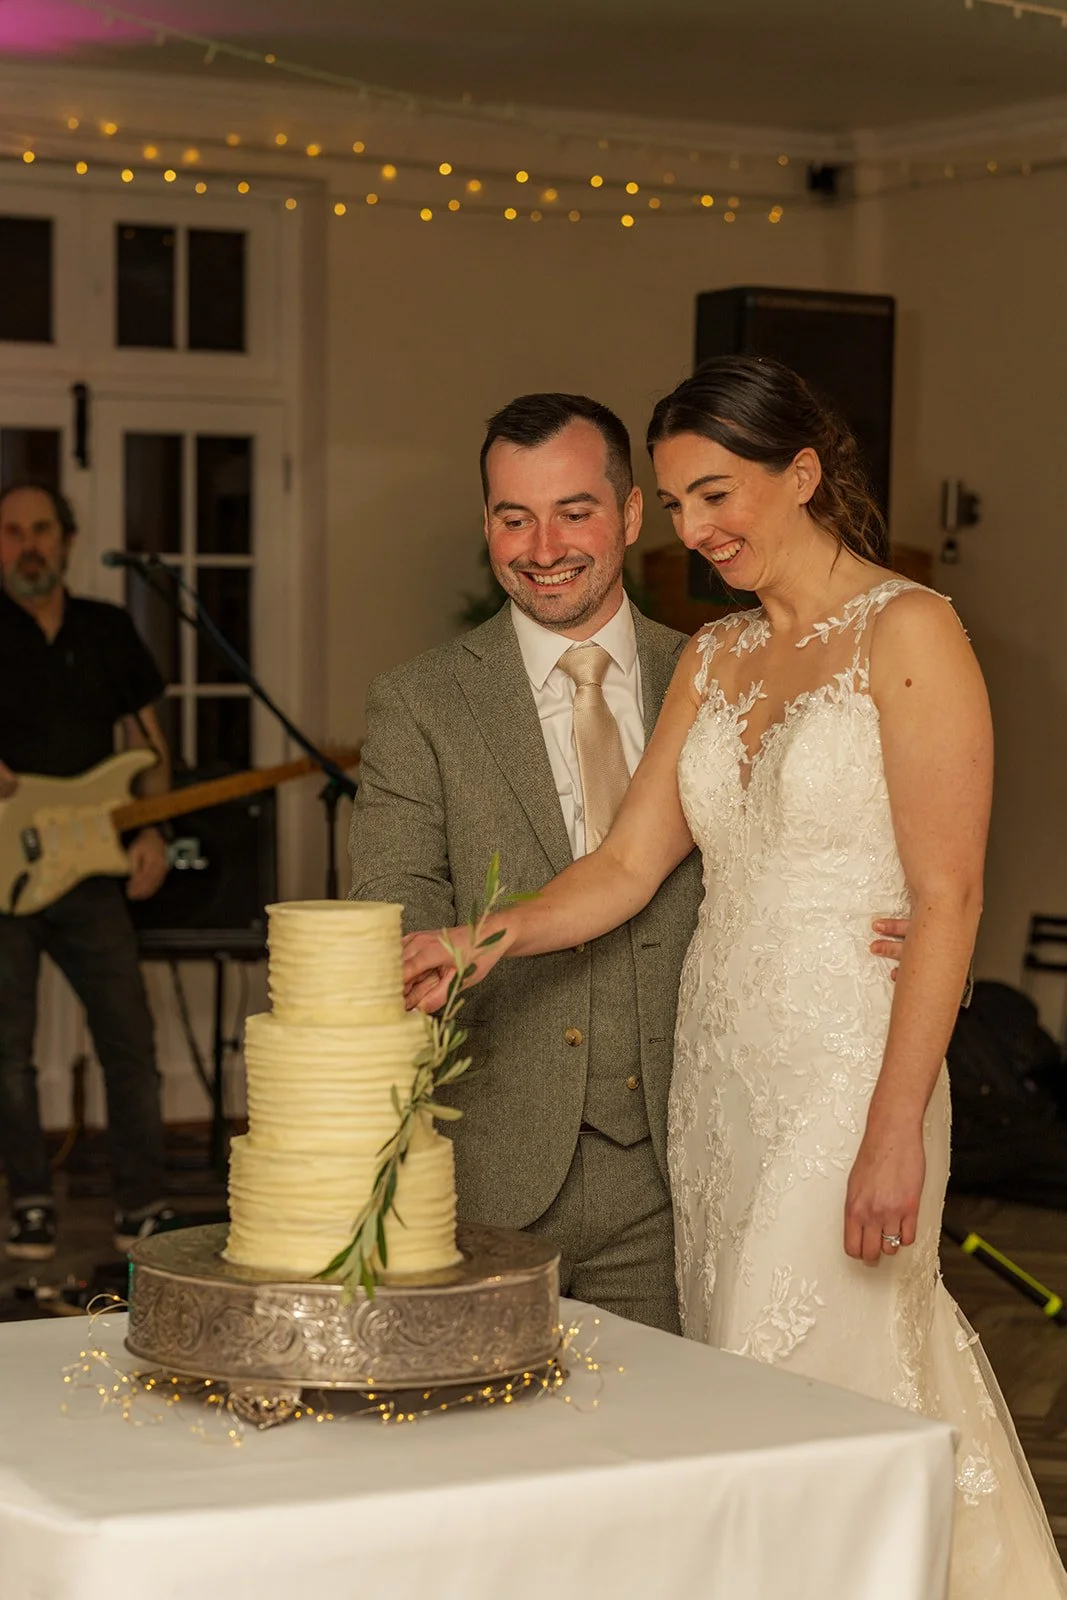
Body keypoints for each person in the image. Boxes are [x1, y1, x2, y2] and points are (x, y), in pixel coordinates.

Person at [404, 359, 1066, 1594]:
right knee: (746, 1381)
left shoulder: (910, 629)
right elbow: (620, 867)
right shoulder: (711, 657)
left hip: (848, 1068)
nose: (697, 530)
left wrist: (890, 1129)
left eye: (718, 494)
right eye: (675, 500)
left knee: (823, 1364)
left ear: (802, 472)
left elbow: (947, 896)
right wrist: (466, 944)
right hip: (718, 1077)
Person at [349, 391, 902, 1335]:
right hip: (491, 1171)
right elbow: (397, 917)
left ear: (632, 514)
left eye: (574, 511)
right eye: (512, 517)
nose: (543, 545)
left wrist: (920, 946)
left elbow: (846, 849)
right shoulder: (418, 704)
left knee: (682, 1455)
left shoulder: (724, 670)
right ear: (486, 524)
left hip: (692, 1160)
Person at [0, 483, 172, 1261]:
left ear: (66, 540)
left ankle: (143, 1203)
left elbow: (148, 746)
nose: (27, 545)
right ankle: (31, 1199)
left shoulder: (106, 628)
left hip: (93, 867)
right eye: (11, 533)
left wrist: (153, 828)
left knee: (129, 1038)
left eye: (40, 530)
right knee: (8, 1049)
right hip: (4, 874)